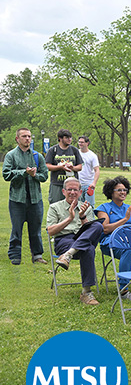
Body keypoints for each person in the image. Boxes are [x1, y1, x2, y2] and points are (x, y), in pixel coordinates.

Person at [46, 178, 104, 305]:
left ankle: (68, 255)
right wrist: (70, 218)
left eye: (75, 190)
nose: (72, 192)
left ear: (80, 192)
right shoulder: (55, 207)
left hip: (80, 238)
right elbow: (50, 231)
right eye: (69, 189)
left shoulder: (86, 207)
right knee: (88, 248)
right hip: (64, 241)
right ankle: (86, 293)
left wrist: (82, 216)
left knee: (98, 226)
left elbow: (89, 230)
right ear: (63, 191)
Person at [95, 176, 131, 301]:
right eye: (119, 190)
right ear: (111, 192)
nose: (123, 192)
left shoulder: (129, 207)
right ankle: (123, 290)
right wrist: (125, 219)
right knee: (128, 249)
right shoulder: (104, 208)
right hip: (111, 242)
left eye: (125, 190)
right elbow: (105, 229)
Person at [3, 128, 49, 265]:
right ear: (17, 139)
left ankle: (37, 255)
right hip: (17, 199)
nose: (27, 139)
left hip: (35, 199)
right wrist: (24, 172)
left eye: (29, 136)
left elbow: (44, 175)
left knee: (35, 230)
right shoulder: (11, 155)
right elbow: (6, 174)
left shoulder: (37, 156)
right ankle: (15, 255)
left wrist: (35, 175)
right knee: (16, 229)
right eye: (24, 136)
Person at [45, 128, 83, 204]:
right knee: (56, 206)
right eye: (67, 138)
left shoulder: (74, 150)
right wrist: (60, 167)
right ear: (60, 138)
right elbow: (47, 166)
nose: (69, 139)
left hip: (72, 185)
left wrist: (73, 168)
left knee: (75, 206)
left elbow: (80, 167)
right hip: (57, 184)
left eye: (70, 137)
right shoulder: (53, 150)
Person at [77, 135, 100, 206]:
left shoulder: (92, 155)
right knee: (77, 205)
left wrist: (94, 183)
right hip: (77, 184)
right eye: (79, 142)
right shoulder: (76, 153)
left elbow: (97, 170)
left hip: (88, 184)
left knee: (89, 206)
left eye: (82, 142)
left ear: (87, 143)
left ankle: (90, 217)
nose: (80, 144)